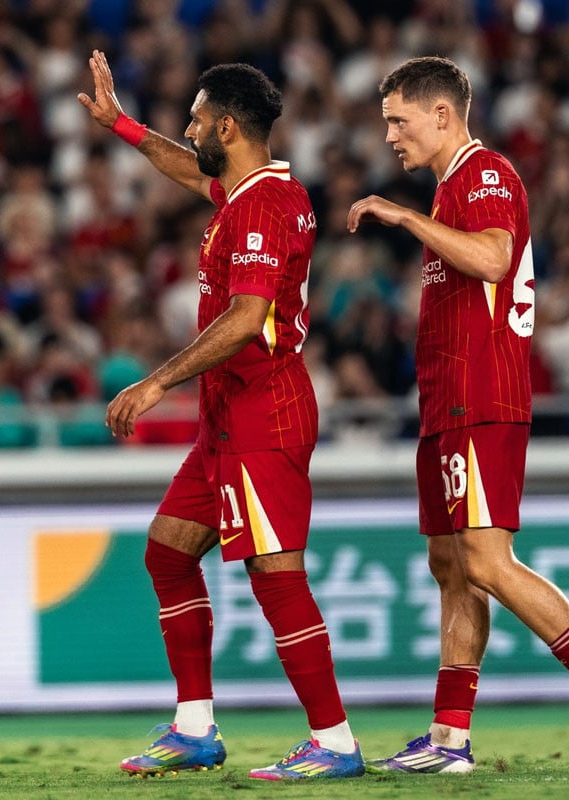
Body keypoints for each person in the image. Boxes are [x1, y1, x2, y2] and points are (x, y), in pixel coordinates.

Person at [79, 50, 365, 781]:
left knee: (275, 572)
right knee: (170, 552)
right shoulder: (249, 193)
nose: (189, 129)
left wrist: (156, 383)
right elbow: (184, 168)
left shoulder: (263, 205)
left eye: (197, 119)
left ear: (227, 127)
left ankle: (334, 741)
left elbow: (245, 318)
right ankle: (194, 729)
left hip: (264, 410)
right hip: (229, 416)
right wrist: (122, 125)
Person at [347, 55, 569, 774]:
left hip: (483, 394)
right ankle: (449, 740)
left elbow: (496, 259)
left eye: (398, 120)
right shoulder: (450, 188)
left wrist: (404, 217)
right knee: (451, 564)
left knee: (485, 560)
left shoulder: (485, 173)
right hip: (447, 401)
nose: (389, 135)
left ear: (442, 114)